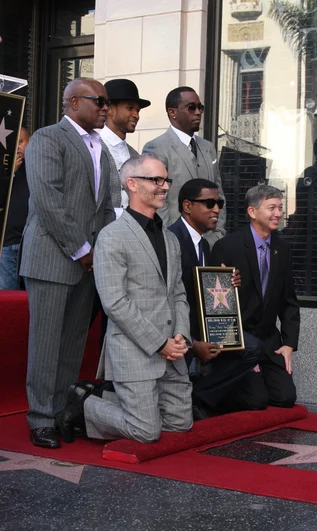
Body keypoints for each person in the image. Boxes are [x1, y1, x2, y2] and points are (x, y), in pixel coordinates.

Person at [57, 155, 193, 444]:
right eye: (156, 180)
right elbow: (114, 302)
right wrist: (160, 343)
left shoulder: (170, 239)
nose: (164, 186)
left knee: (180, 425)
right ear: (132, 184)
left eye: (166, 180)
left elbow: (178, 292)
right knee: (145, 431)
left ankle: (108, 396)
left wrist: (181, 334)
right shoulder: (112, 236)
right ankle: (83, 405)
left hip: (173, 352)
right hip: (136, 351)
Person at [19, 77, 115, 449]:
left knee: (73, 343)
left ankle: (60, 412)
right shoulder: (47, 138)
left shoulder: (102, 149)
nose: (106, 108)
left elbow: (106, 207)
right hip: (52, 258)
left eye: (107, 102)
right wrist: (81, 249)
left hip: (88, 262)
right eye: (100, 101)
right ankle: (40, 418)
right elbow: (48, 200)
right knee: (45, 344)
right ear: (74, 102)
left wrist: (101, 251)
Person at [168, 178, 265, 419]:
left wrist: (227, 285)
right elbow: (167, 300)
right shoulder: (171, 240)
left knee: (252, 347)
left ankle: (199, 395)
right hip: (175, 331)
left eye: (219, 203)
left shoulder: (205, 244)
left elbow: (203, 292)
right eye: (209, 203)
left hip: (203, 326)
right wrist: (192, 342)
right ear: (187, 206)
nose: (217, 209)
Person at [210, 184, 300, 408]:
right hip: (240, 341)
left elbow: (289, 301)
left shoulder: (283, 248)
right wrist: (242, 350)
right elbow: (216, 308)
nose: (278, 213)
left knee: (285, 398)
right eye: (272, 208)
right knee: (256, 401)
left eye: (280, 207)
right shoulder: (227, 247)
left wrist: (289, 344)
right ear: (252, 212)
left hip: (269, 341)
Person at [142, 86, 226, 245]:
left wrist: (218, 234)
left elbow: (219, 194)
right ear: (172, 112)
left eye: (200, 107)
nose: (198, 112)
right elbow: (155, 199)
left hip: (209, 242)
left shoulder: (208, 148)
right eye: (191, 107)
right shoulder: (156, 147)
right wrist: (170, 238)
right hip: (176, 241)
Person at [100, 78, 151, 216]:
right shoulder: (93, 148)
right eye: (130, 108)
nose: (136, 115)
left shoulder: (135, 155)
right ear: (110, 108)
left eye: (138, 110)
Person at [0, 127, 30, 290]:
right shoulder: (4, 169)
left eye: (20, 142)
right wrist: (10, 173)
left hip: (30, 246)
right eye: (13, 143)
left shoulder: (37, 167)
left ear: (30, 142)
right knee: (7, 299)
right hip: (7, 246)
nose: (17, 147)